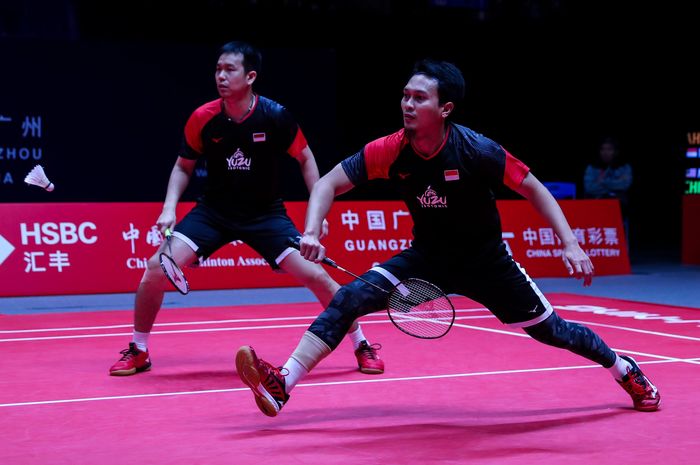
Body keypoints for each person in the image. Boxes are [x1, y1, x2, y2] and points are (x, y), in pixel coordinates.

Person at [235, 59, 660, 416]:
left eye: (420, 98)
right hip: (428, 260)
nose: (408, 103)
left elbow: (533, 186)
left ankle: (623, 367)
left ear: (445, 109)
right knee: (349, 298)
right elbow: (328, 183)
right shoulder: (392, 148)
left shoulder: (475, 150)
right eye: (405, 95)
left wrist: (569, 242)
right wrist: (313, 229)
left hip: (488, 263)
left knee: (553, 332)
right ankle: (282, 383)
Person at [109, 41, 384, 376]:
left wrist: (318, 214)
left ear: (250, 76)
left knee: (317, 276)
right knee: (155, 269)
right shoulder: (203, 118)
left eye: (230, 70)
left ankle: (361, 344)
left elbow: (305, 158)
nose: (221, 76)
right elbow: (183, 167)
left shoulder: (275, 116)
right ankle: (138, 349)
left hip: (265, 215)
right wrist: (169, 208)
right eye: (218, 69)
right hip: (213, 212)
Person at [583, 137, 633, 236]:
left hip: (619, 205)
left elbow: (624, 185)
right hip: (596, 202)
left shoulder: (624, 167)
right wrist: (615, 183)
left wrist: (602, 182)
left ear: (615, 151)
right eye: (603, 149)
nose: (606, 152)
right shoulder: (592, 168)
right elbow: (589, 187)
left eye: (609, 149)